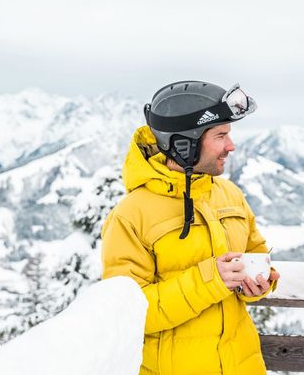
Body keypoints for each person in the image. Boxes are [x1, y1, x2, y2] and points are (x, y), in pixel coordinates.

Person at [102, 80, 279, 375]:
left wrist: (259, 283)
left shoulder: (229, 195)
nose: (231, 146)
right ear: (185, 143)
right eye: (221, 135)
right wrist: (210, 280)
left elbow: (256, 255)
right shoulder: (131, 215)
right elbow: (130, 314)